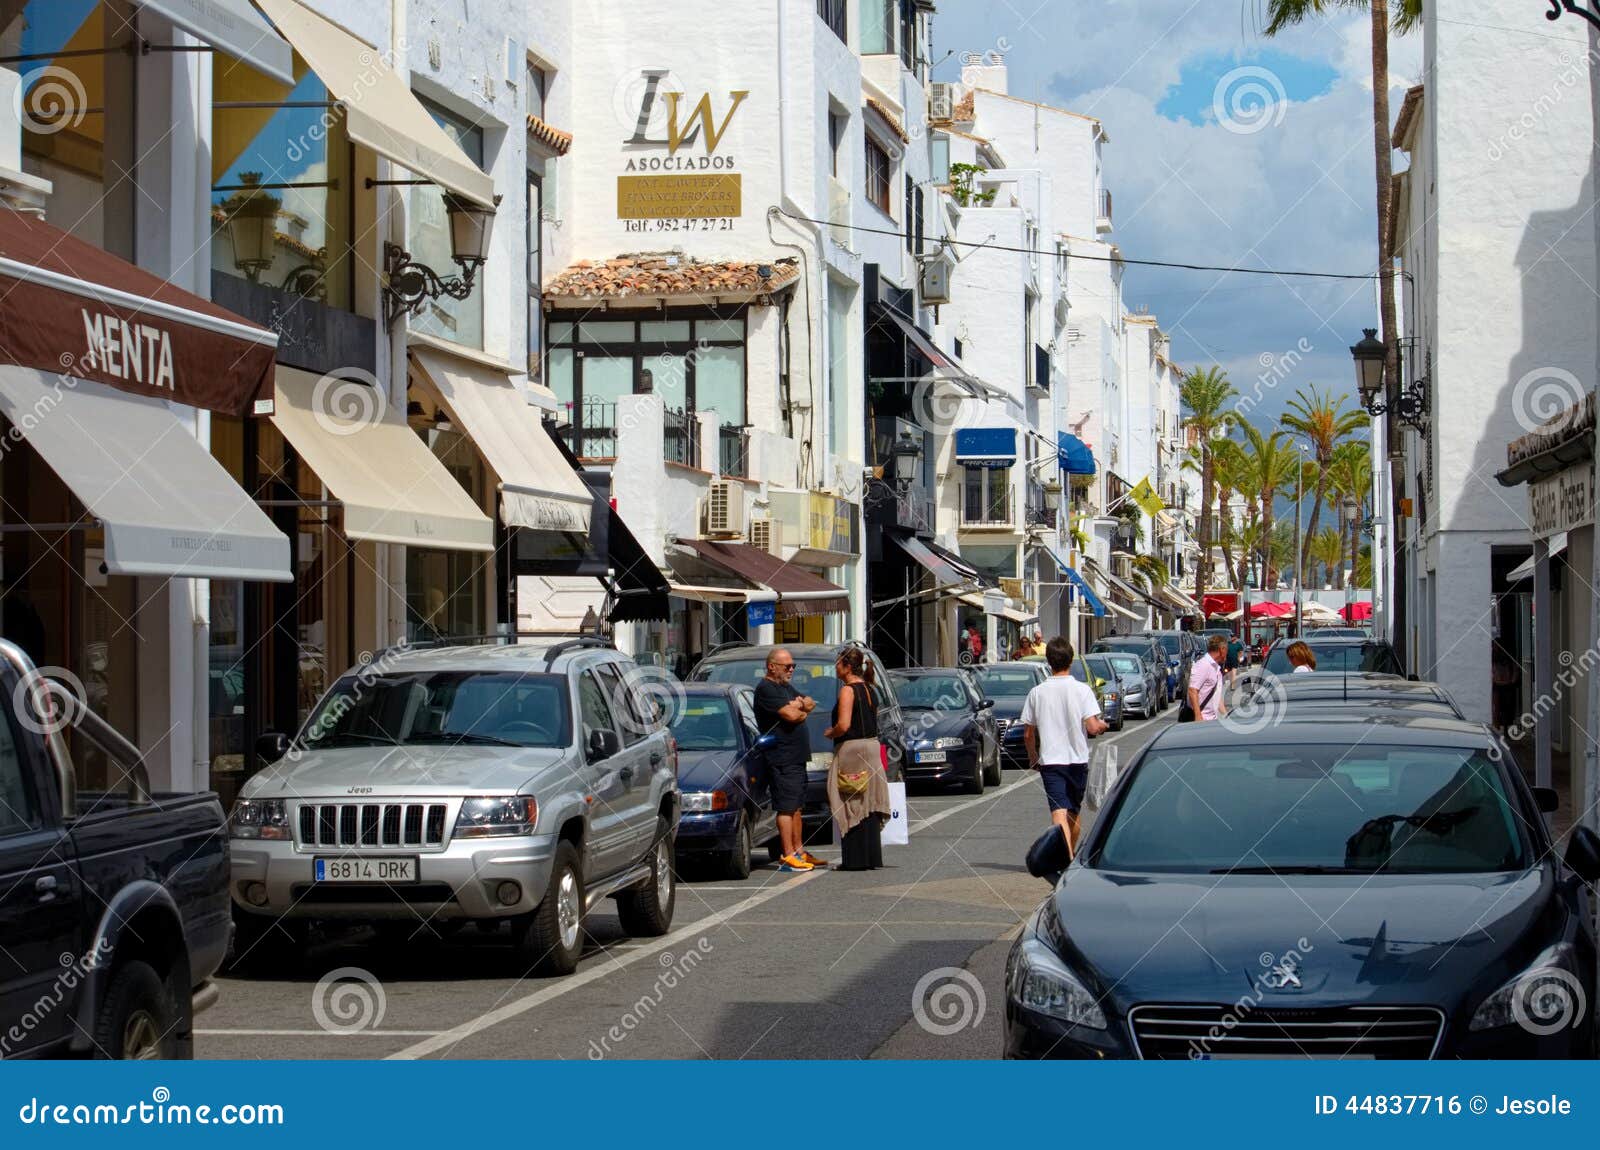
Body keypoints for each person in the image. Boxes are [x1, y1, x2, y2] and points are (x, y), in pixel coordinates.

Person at [1021, 637, 1109, 857]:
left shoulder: (1037, 693)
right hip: (1078, 760)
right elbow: (1092, 727)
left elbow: (1028, 733)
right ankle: (1068, 857)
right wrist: (1102, 725)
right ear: (1071, 661)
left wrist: (1033, 758)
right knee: (1069, 812)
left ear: (1049, 662)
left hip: (1051, 761)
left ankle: (1067, 856)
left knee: (1061, 812)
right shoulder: (1082, 690)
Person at [821, 647, 892, 871]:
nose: (835, 667)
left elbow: (844, 725)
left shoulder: (848, 691)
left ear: (847, 666)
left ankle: (855, 858)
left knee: (849, 797)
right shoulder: (870, 688)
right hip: (871, 746)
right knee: (868, 801)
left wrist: (830, 732)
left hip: (852, 749)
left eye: (838, 663)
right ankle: (871, 856)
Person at [752, 648, 822, 872]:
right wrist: (798, 708)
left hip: (797, 756)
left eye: (793, 666)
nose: (791, 669)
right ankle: (788, 853)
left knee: (797, 806)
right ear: (772, 666)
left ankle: (799, 850)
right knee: (786, 806)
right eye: (787, 666)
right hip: (782, 756)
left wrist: (800, 706)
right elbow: (792, 715)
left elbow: (811, 702)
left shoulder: (784, 687)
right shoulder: (766, 689)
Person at [1187, 634, 1228, 721]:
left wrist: (1226, 716)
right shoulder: (1203, 665)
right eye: (1226, 650)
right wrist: (1198, 717)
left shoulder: (1216, 667)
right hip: (1202, 719)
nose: (1227, 654)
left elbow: (1215, 695)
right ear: (1221, 650)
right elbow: (1192, 690)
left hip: (1212, 719)